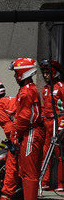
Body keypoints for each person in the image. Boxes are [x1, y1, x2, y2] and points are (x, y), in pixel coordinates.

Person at [0, 58, 45, 200]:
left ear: (24, 73)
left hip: (30, 132)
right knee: (18, 165)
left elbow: (24, 117)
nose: (15, 76)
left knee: (29, 170)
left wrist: (15, 134)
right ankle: (9, 198)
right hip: (26, 132)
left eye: (16, 73)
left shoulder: (28, 91)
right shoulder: (26, 89)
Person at [39, 60, 64, 190]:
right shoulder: (45, 89)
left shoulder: (61, 87)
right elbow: (43, 107)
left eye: (48, 72)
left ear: (54, 72)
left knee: (59, 153)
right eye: (44, 72)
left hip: (57, 121)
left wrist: (62, 124)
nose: (45, 75)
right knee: (45, 153)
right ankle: (45, 182)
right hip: (46, 123)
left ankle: (61, 183)